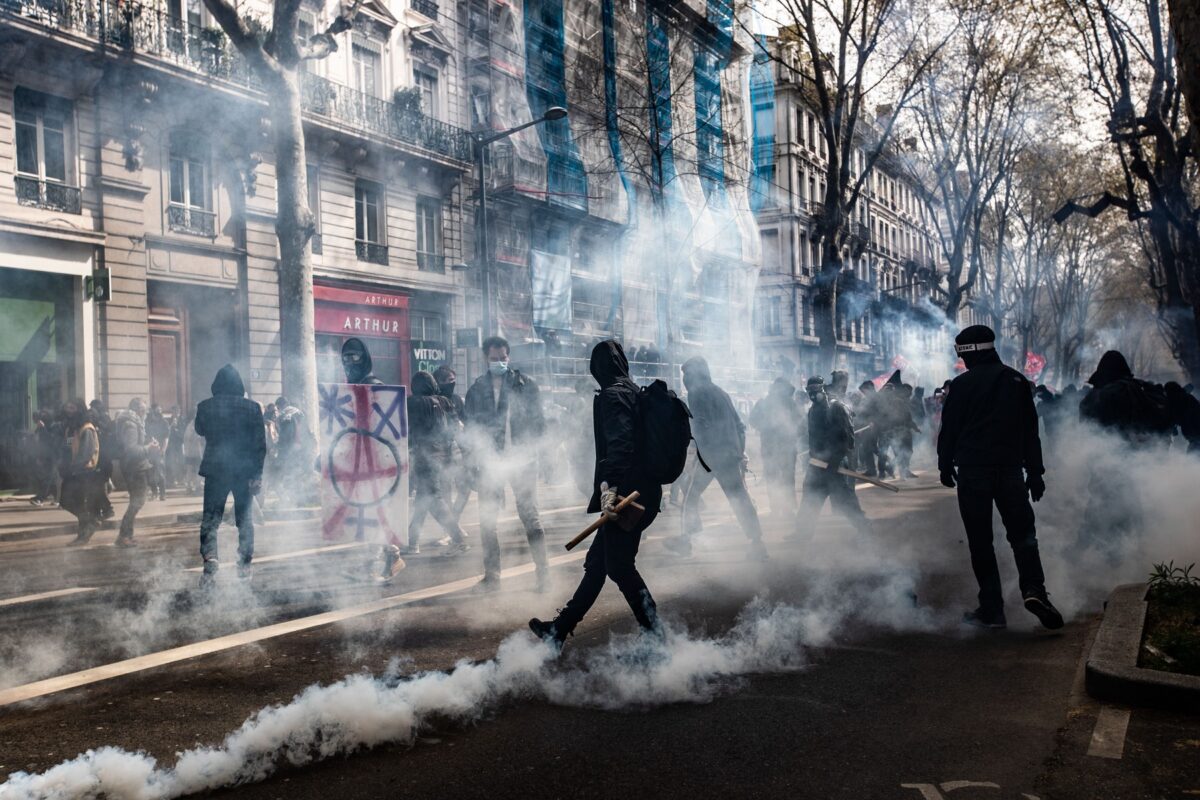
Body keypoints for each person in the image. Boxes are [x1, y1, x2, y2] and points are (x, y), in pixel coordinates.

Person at [529, 341, 662, 647]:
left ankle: (655, 636)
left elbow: (620, 444)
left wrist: (610, 489)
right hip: (642, 492)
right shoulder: (632, 390)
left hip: (627, 497)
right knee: (598, 563)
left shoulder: (614, 395)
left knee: (619, 567)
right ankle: (559, 629)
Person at [937, 325, 1062, 630]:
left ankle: (992, 609)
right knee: (1023, 537)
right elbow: (1030, 431)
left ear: (969, 353)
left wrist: (944, 465)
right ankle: (1035, 591)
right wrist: (1035, 473)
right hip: (1010, 472)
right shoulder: (1017, 381)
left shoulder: (961, 385)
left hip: (973, 471)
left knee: (981, 542)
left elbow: (949, 429)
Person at [463, 336, 550, 591]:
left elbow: (540, 423)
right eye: (494, 359)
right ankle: (492, 576)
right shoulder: (477, 389)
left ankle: (543, 574)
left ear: (509, 357)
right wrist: (472, 464)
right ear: (485, 358)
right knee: (487, 520)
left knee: (530, 516)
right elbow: (470, 429)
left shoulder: (526, 385)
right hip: (490, 462)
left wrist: (542, 455)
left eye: (503, 358)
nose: (499, 362)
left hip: (522, 460)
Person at [667, 356, 768, 561]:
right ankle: (757, 543)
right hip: (730, 455)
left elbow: (699, 426)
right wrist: (740, 452)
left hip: (711, 457)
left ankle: (686, 540)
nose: (685, 379)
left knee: (690, 496)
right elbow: (740, 425)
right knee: (739, 498)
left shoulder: (696, 393)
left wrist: (695, 451)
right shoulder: (722, 393)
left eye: (687, 374)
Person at [339, 339, 404, 579]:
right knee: (368, 512)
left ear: (364, 358)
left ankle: (385, 560)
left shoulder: (374, 385)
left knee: (375, 511)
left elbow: (385, 426)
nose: (349, 362)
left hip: (375, 461)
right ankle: (383, 558)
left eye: (354, 357)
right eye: (345, 357)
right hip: (360, 460)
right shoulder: (350, 388)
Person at [194, 364, 266, 585]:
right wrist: (257, 474)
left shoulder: (205, 406)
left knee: (210, 520)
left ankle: (210, 561)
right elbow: (260, 445)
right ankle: (244, 564)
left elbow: (199, 430)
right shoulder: (253, 408)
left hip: (216, 471)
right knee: (244, 521)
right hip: (244, 472)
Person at [790, 376, 873, 540]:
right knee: (809, 499)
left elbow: (848, 439)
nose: (813, 393)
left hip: (835, 467)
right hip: (816, 465)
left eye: (816, 389)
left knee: (846, 502)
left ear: (823, 389)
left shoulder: (836, 408)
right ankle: (802, 534)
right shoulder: (813, 410)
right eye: (809, 390)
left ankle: (865, 530)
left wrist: (835, 461)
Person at [405, 371, 470, 555]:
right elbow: (456, 429)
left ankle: (458, 539)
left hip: (425, 458)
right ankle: (412, 542)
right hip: (445, 458)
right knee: (422, 501)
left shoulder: (413, 403)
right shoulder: (446, 401)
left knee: (433, 499)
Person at [748, 377, 801, 523]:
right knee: (781, 479)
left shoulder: (773, 403)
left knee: (778, 479)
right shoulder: (775, 403)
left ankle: (781, 510)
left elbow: (799, 422)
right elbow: (752, 419)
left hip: (781, 448)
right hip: (778, 448)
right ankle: (783, 510)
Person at [113, 398, 160, 547]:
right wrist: (149, 448)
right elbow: (132, 450)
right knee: (137, 501)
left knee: (137, 501)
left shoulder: (133, 422)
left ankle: (127, 535)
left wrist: (148, 446)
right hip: (134, 468)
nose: (145, 413)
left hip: (135, 466)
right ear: (135, 410)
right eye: (142, 410)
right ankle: (123, 535)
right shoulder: (131, 425)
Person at [61, 401, 102, 545]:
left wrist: (75, 467)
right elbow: (67, 447)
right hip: (73, 471)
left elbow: (86, 453)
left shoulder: (87, 428)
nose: (68, 410)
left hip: (85, 472)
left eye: (72, 407)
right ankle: (89, 525)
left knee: (78, 502)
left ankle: (83, 535)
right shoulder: (71, 429)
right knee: (67, 502)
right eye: (67, 407)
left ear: (80, 409)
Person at [89, 400, 116, 520]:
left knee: (97, 487)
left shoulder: (102, 421)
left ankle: (106, 509)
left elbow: (105, 439)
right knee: (95, 486)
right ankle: (96, 512)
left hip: (102, 459)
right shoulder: (96, 422)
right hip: (99, 459)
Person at [853, 381, 881, 476]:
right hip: (866, 427)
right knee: (869, 448)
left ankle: (876, 469)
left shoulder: (876, 398)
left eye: (864, 390)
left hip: (872, 427)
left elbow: (878, 412)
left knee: (870, 447)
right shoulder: (869, 398)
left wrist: (873, 421)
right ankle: (873, 469)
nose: (863, 393)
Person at [144, 404, 170, 500]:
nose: (156, 412)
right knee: (150, 472)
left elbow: (166, 438)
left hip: (159, 451)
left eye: (159, 410)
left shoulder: (164, 423)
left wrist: (163, 449)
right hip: (149, 450)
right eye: (155, 410)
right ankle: (154, 492)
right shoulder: (147, 422)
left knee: (160, 473)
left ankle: (163, 494)